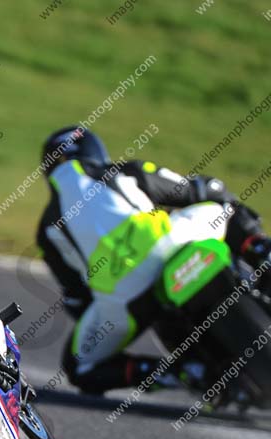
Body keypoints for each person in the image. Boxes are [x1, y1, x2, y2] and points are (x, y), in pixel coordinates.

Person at [35, 125, 270, 394]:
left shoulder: (46, 230)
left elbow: (77, 298)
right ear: (94, 151)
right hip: (173, 242)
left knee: (79, 366)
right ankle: (261, 250)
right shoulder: (125, 171)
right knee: (224, 206)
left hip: (126, 296)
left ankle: (179, 372)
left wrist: (110, 310)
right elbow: (200, 190)